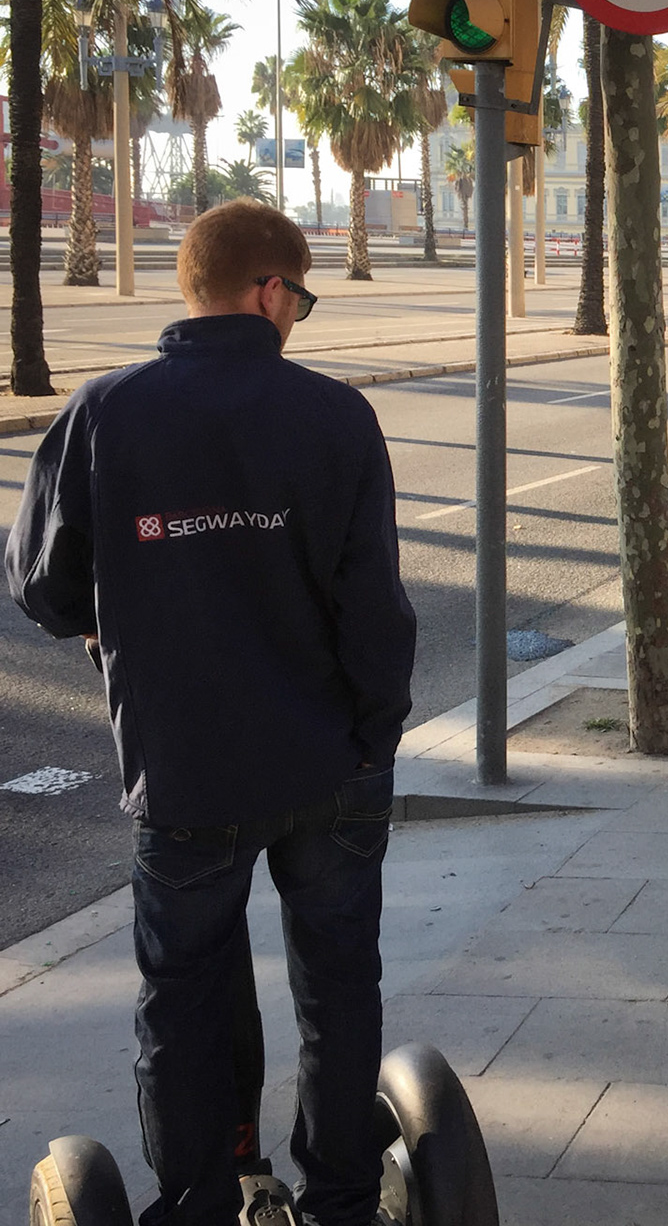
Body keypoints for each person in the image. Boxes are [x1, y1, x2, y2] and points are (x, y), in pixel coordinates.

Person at [6, 199, 417, 1226]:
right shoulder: (334, 417)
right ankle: (339, 1200)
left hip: (185, 775)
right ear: (268, 291)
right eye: (303, 299)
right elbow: (375, 614)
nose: (300, 319)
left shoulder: (104, 413)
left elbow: (41, 589)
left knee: (180, 1000)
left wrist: (116, 615)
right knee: (338, 993)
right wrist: (373, 744)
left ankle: (193, 1201)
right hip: (326, 768)